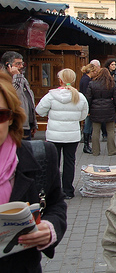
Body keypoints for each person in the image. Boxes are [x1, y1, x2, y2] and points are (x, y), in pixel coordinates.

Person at [0, 71, 67, 271]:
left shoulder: (41, 155)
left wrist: (49, 229)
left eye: (0, 115)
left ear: (12, 117)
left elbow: (56, 204)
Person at [35, 69, 88, 199]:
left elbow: (39, 110)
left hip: (54, 135)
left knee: (54, 163)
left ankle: (54, 190)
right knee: (69, 162)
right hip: (72, 135)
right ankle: (68, 190)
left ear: (60, 80)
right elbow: (83, 115)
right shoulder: (79, 97)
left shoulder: (51, 95)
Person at [1, 51, 37, 140]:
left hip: (26, 125)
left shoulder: (22, 79)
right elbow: (14, 95)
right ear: (8, 65)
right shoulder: (4, 80)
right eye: (18, 64)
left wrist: (33, 123)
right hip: (14, 125)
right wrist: (16, 77)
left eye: (22, 63)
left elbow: (28, 100)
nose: (21, 66)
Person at [86, 68, 116, 156]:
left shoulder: (92, 83)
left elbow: (88, 98)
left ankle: (95, 151)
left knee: (95, 131)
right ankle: (111, 150)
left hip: (95, 108)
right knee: (110, 131)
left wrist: (88, 110)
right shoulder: (111, 84)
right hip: (109, 108)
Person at [79, 63, 98, 154]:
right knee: (88, 125)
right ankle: (86, 145)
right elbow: (87, 95)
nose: (95, 73)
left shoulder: (84, 79)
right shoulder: (87, 80)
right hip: (87, 105)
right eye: (95, 71)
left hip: (86, 104)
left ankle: (86, 145)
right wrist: (89, 108)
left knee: (88, 124)